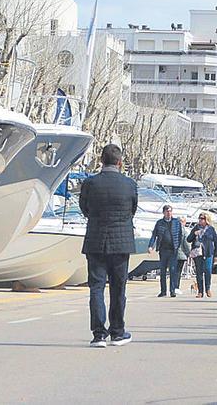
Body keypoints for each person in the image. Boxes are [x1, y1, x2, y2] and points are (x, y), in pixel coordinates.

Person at [79, 144, 138, 348]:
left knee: (96, 287)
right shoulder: (129, 184)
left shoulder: (90, 183)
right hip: (121, 243)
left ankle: (98, 334)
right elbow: (133, 209)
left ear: (101, 161)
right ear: (120, 162)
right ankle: (117, 332)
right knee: (118, 288)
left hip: (96, 241)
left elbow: (84, 208)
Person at [147, 205, 183, 297]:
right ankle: (163, 291)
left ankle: (172, 290)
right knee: (162, 271)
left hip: (173, 250)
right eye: (167, 211)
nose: (169, 213)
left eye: (170, 211)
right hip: (163, 250)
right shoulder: (159, 223)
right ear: (163, 212)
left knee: (172, 270)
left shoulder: (176, 222)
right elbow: (154, 235)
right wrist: (151, 246)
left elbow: (180, 235)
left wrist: (178, 246)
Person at [186, 213, 217, 298]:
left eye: (202, 218)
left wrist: (216, 255)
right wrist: (194, 234)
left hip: (208, 253)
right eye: (200, 218)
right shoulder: (196, 228)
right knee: (199, 272)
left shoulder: (211, 229)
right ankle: (200, 291)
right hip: (197, 253)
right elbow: (188, 239)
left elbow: (216, 241)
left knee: (208, 271)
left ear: (206, 220)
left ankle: (208, 289)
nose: (200, 220)